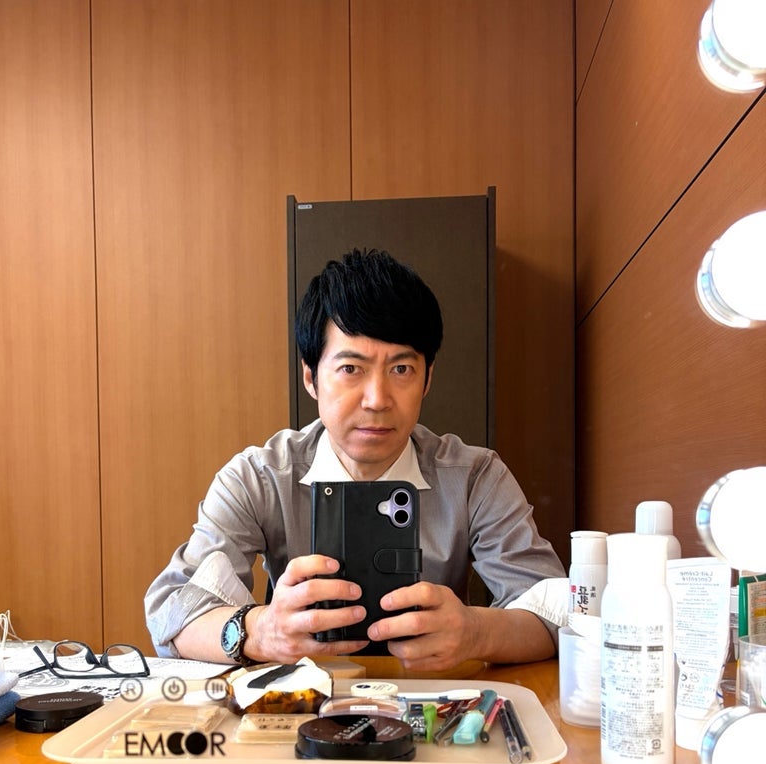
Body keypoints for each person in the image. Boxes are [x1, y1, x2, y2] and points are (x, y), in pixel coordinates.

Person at [144, 248, 565, 672]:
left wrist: (476, 631)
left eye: (401, 369)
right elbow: (173, 614)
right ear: (311, 377)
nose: (377, 399)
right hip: (302, 702)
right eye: (350, 368)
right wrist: (259, 631)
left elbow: (556, 614)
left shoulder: (475, 477)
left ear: (427, 379)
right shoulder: (259, 478)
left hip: (437, 700)